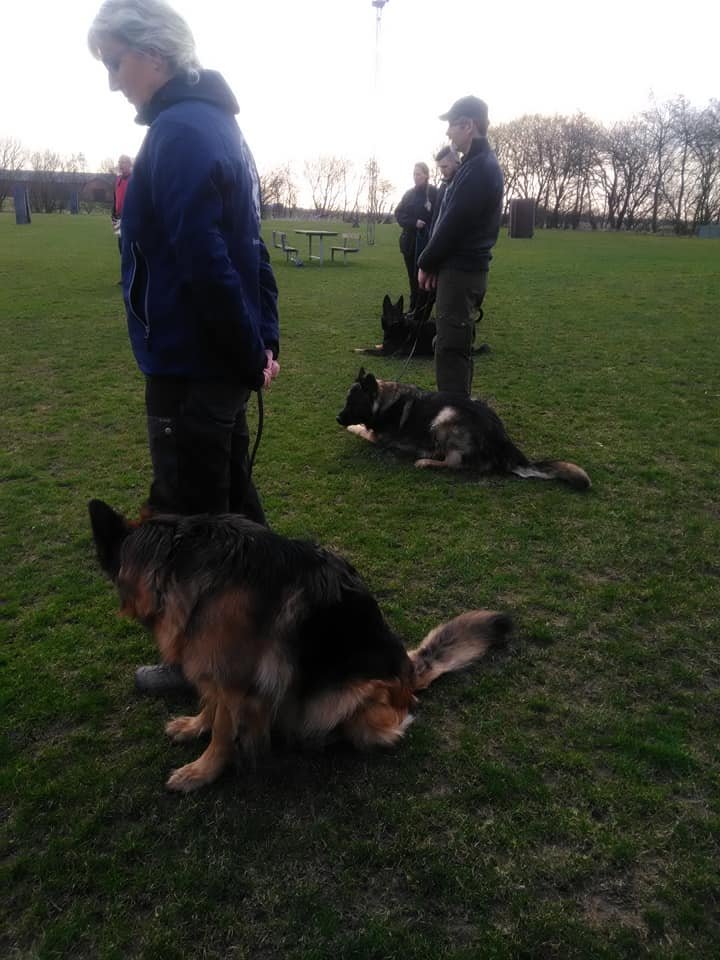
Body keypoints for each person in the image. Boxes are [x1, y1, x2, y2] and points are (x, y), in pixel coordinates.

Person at [88, 0, 280, 695]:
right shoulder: (218, 126)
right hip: (216, 361)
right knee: (234, 511)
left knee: (192, 521)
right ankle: (276, 627)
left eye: (116, 62)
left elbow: (209, 260)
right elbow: (250, 250)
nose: (112, 80)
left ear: (155, 55)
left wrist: (250, 348)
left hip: (190, 363)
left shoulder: (178, 133)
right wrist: (261, 341)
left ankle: (198, 662)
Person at [417, 97, 503, 397]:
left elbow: (453, 224)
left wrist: (426, 262)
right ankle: (459, 411)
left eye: (452, 125)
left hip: (461, 273)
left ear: (469, 126)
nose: (448, 132)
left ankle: (455, 418)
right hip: (461, 269)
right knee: (454, 345)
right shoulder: (473, 166)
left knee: (451, 349)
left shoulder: (480, 168)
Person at [394, 163, 438, 314]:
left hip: (427, 244)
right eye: (414, 174)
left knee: (425, 278)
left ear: (426, 175)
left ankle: (423, 308)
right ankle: (414, 307)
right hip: (409, 243)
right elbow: (399, 214)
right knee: (412, 277)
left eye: (418, 174)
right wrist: (414, 222)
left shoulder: (434, 193)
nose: (415, 177)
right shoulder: (409, 195)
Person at [111, 154, 132, 255]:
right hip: (118, 218)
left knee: (130, 247)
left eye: (123, 162)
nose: (120, 165)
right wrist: (113, 213)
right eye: (119, 162)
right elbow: (116, 198)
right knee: (121, 245)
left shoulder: (134, 179)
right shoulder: (118, 180)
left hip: (130, 218)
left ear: (129, 164)